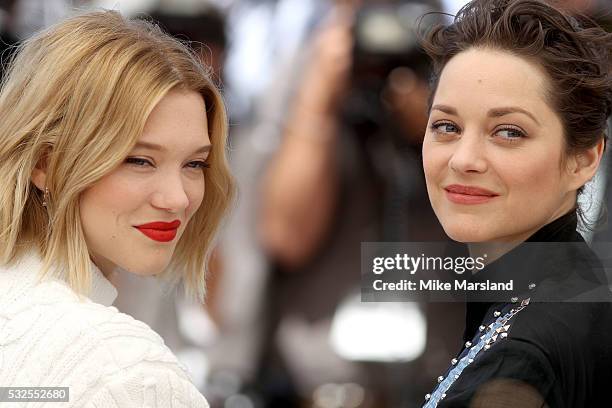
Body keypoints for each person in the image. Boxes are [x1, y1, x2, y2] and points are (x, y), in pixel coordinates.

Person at [0, 9, 234, 407]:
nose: (177, 198)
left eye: (195, 164)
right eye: (140, 160)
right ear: (45, 164)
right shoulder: (128, 372)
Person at [418, 0, 612, 406]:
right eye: (446, 126)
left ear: (584, 158)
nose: (464, 159)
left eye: (508, 132)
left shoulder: (523, 360)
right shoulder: (575, 290)